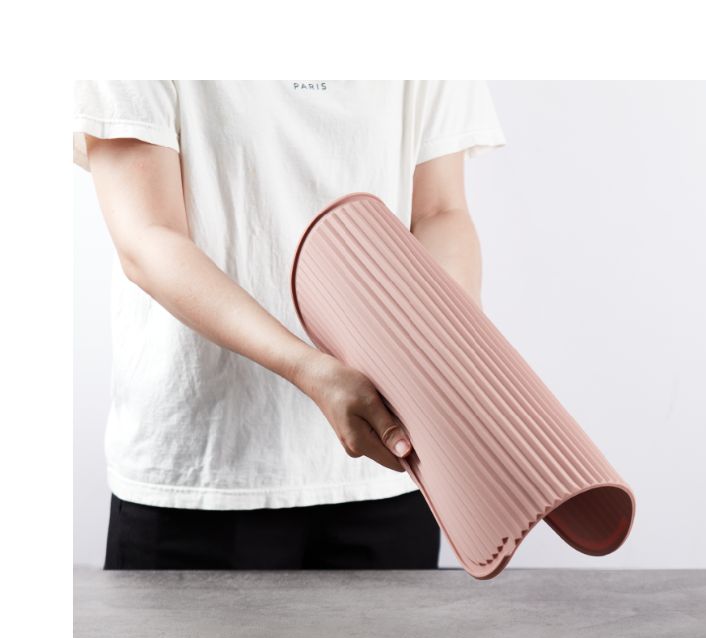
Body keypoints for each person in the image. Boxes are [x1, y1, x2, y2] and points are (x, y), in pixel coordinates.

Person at [73, 80, 505, 570]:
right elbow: (148, 239)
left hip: (392, 462)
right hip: (201, 473)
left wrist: (447, 355)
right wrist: (308, 369)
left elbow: (439, 212)